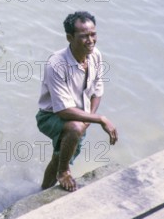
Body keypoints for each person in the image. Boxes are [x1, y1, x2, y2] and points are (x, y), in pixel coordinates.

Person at [36, 11, 118, 192]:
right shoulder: (56, 64)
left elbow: (97, 92)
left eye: (93, 34)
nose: (90, 40)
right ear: (69, 37)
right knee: (75, 129)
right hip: (50, 116)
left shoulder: (95, 55)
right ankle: (64, 172)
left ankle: (42, 191)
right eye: (83, 36)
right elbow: (63, 111)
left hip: (80, 116)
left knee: (59, 155)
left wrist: (88, 118)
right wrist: (99, 119)